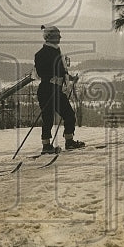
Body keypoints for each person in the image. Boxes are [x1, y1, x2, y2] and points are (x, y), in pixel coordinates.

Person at [34, 25, 85, 154]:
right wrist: (56, 78)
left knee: (57, 117)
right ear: (49, 37)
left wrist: (70, 78)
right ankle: (63, 143)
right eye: (57, 35)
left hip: (51, 90)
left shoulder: (55, 52)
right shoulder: (43, 54)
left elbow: (60, 72)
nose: (60, 37)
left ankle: (52, 145)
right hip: (48, 90)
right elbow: (42, 73)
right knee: (57, 116)